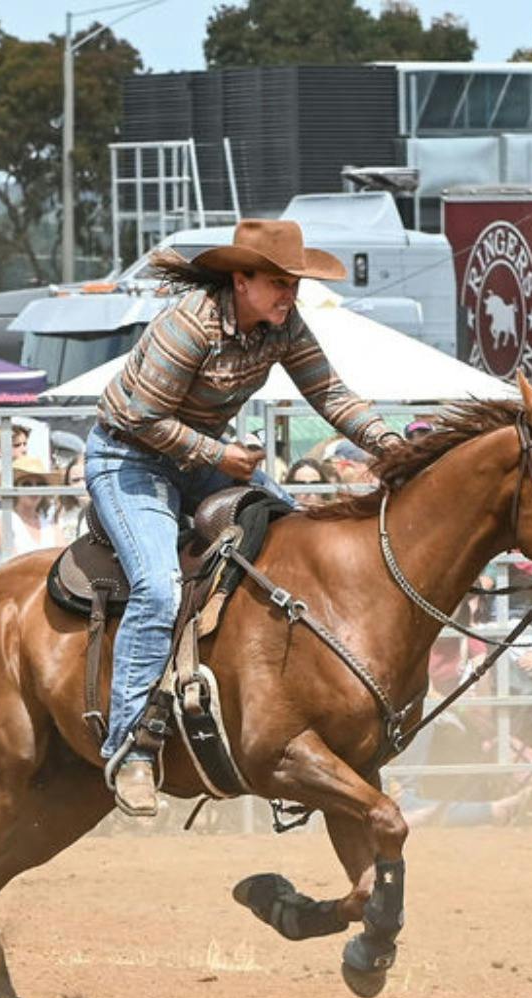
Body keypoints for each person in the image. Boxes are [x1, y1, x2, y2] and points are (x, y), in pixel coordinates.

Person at [86, 218, 403, 815]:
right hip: (129, 458)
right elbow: (138, 416)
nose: (291, 294)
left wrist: (395, 447)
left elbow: (331, 395)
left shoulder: (282, 327)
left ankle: (289, 721)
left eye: (295, 283)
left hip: (202, 459)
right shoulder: (190, 325)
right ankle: (131, 747)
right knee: (157, 587)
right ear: (242, 280)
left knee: (294, 552)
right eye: (280, 282)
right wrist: (219, 455)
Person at [0, 456, 63, 563]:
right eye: (27, 484)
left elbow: (63, 560)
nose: (34, 489)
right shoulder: (3, 520)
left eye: (40, 484)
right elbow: (15, 563)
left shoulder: (50, 526)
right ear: (15, 488)